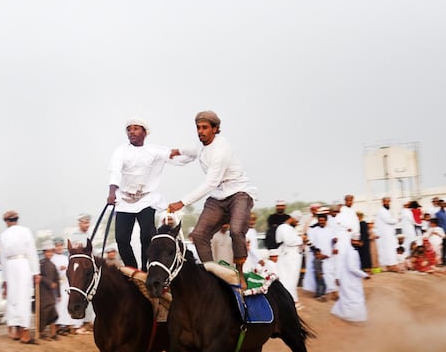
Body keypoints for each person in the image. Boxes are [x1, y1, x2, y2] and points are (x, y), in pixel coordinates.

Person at [167, 110, 257, 288]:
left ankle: (239, 273)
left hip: (239, 193)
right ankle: (213, 273)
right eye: (198, 127)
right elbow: (193, 150)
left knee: (236, 230)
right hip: (219, 196)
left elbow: (210, 183)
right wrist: (177, 151)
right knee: (199, 235)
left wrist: (182, 202)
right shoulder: (202, 145)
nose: (201, 131)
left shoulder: (221, 150)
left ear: (215, 129)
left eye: (205, 128)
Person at [107, 118, 173, 269]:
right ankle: (133, 270)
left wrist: (185, 152)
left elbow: (173, 156)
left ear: (145, 132)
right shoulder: (120, 151)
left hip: (146, 199)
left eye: (136, 129)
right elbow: (115, 171)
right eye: (129, 129)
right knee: (122, 239)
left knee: (147, 235)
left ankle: (145, 267)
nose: (131, 132)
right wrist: (111, 192)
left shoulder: (153, 151)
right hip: (124, 199)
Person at [0, 210, 40, 345]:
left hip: (10, 266)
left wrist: (4, 279)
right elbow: (31, 252)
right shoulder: (25, 231)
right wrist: (36, 272)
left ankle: (16, 331)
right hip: (23, 264)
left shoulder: (4, 235)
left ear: (6, 221)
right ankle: (25, 333)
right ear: (17, 219)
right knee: (24, 297)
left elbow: (2, 258)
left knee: (13, 298)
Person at [330, 233, 369, 323]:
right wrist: (364, 275)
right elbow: (352, 268)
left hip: (350, 279)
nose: (355, 242)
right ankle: (353, 318)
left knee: (347, 297)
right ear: (351, 241)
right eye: (353, 241)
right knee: (354, 299)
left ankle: (340, 313)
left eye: (357, 241)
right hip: (349, 280)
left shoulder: (353, 250)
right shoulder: (351, 252)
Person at [276, 210, 305, 307]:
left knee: (292, 278)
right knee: (288, 278)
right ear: (293, 218)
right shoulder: (284, 228)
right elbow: (289, 241)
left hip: (292, 256)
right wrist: (301, 239)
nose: (297, 224)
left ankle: (291, 299)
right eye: (296, 221)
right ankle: (290, 300)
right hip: (289, 256)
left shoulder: (288, 228)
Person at [51, 238, 76, 336]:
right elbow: (52, 271)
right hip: (58, 285)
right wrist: (58, 269)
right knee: (59, 305)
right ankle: (58, 325)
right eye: (57, 246)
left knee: (66, 304)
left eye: (61, 245)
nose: (59, 247)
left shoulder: (66, 258)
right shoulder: (53, 258)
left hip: (66, 284)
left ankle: (67, 325)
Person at [37, 240, 60, 341]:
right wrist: (49, 283)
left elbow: (57, 279)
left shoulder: (53, 265)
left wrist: (58, 294)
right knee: (44, 312)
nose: (49, 253)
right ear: (44, 252)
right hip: (42, 292)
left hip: (50, 293)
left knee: (53, 312)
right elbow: (39, 276)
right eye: (47, 252)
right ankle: (41, 332)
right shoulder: (40, 264)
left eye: (51, 251)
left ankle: (53, 333)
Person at [375, 197, 399, 272]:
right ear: (383, 202)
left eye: (389, 202)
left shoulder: (386, 211)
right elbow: (388, 220)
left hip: (388, 234)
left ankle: (390, 266)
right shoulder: (382, 211)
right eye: (386, 202)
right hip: (385, 235)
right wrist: (396, 220)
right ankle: (391, 266)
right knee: (388, 250)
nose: (388, 203)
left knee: (389, 250)